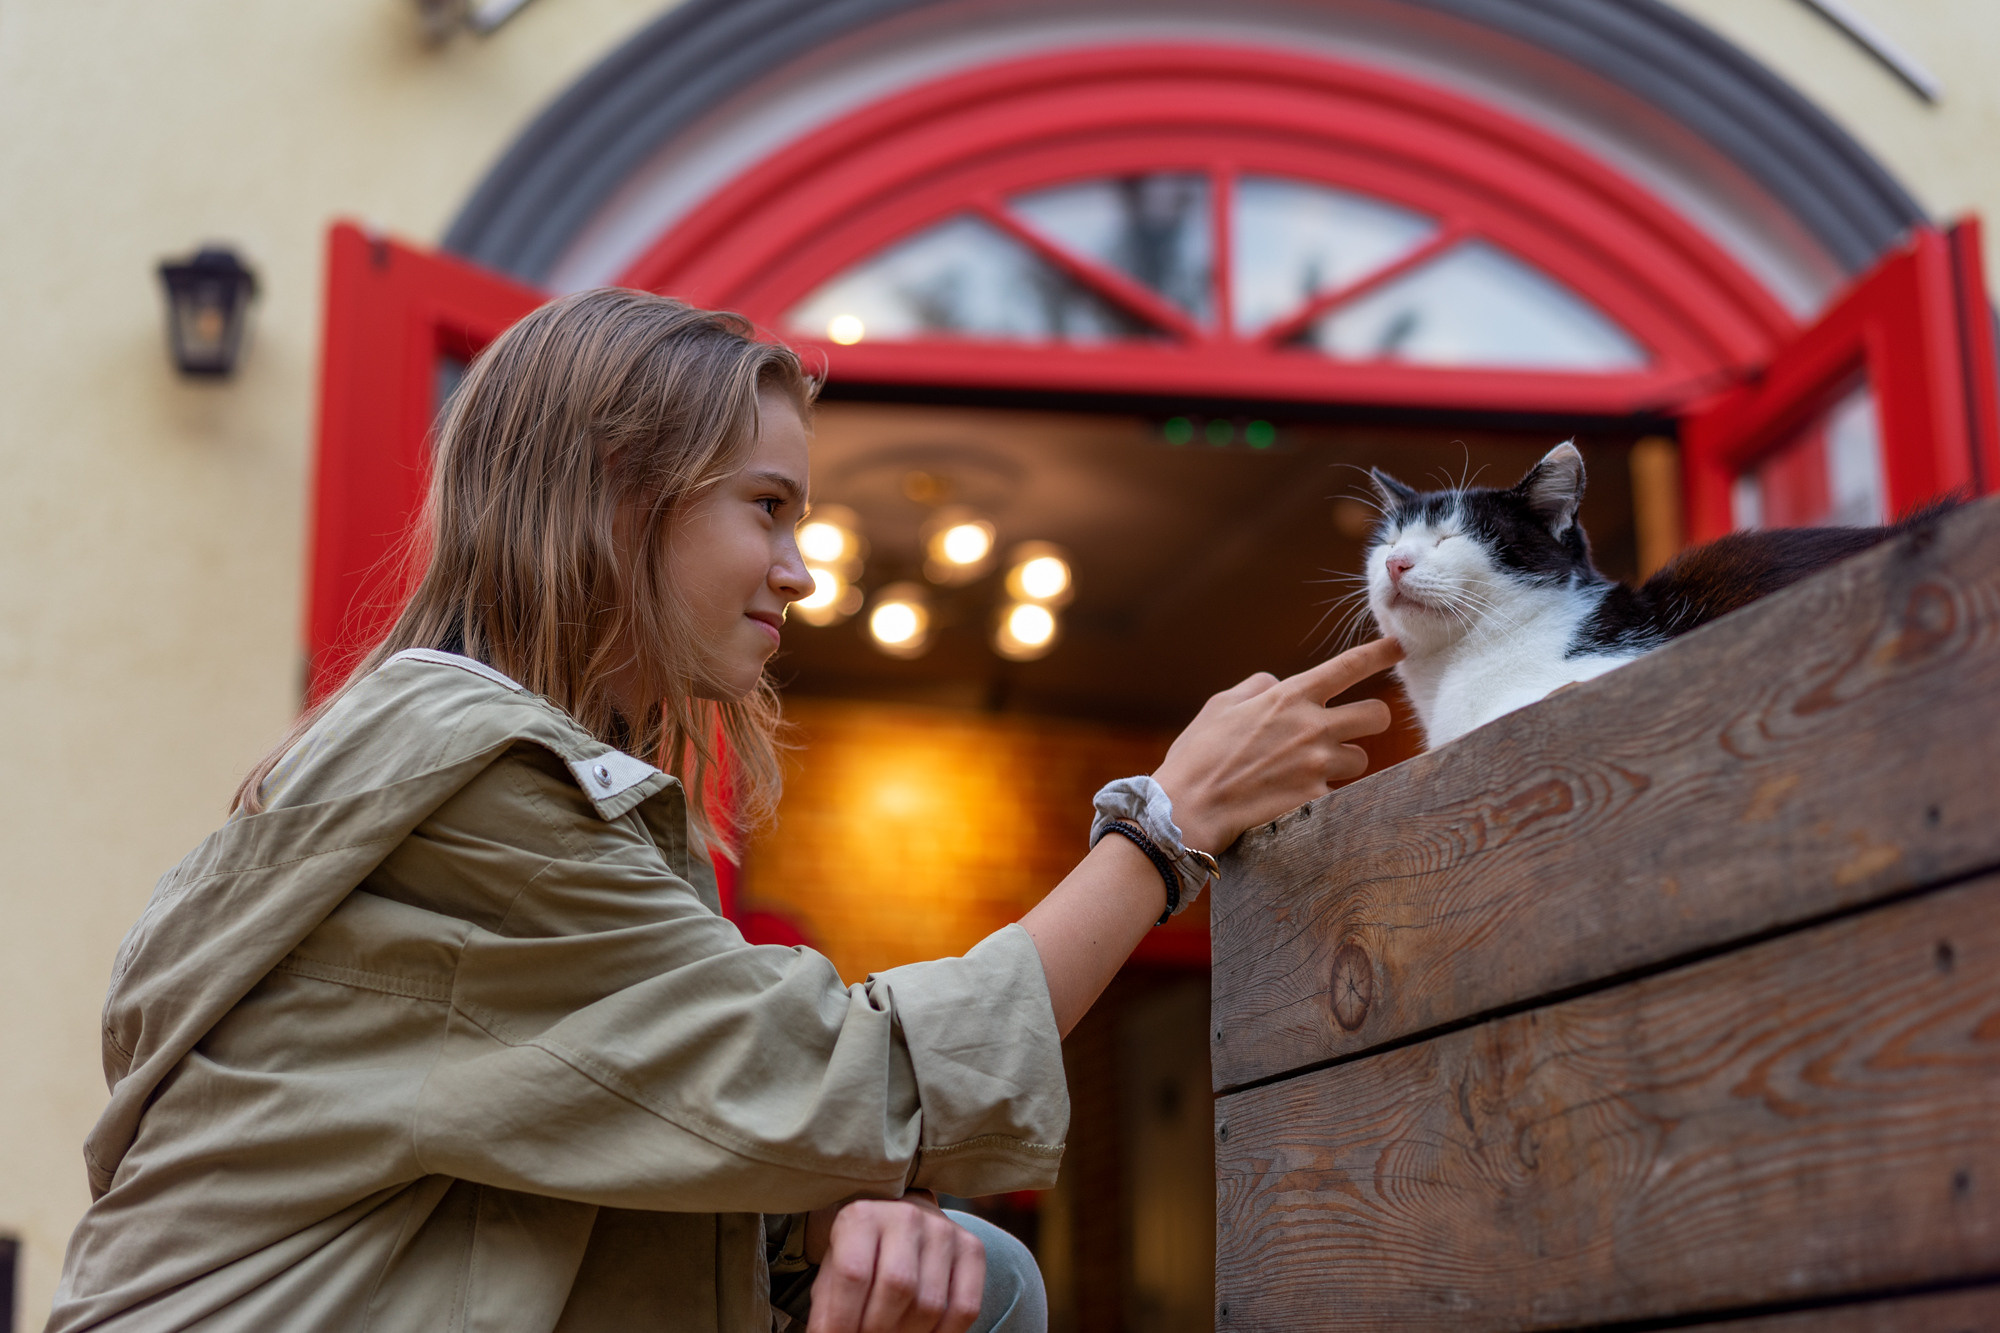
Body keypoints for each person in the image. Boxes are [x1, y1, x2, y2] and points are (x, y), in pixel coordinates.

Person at [47, 289, 1399, 1333]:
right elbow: (851, 1079)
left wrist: (827, 1218)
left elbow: (616, 1140)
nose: (801, 570)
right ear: (618, 496)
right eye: (767, 507)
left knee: (969, 1272)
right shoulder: (479, 792)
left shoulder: (458, 761)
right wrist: (1169, 826)